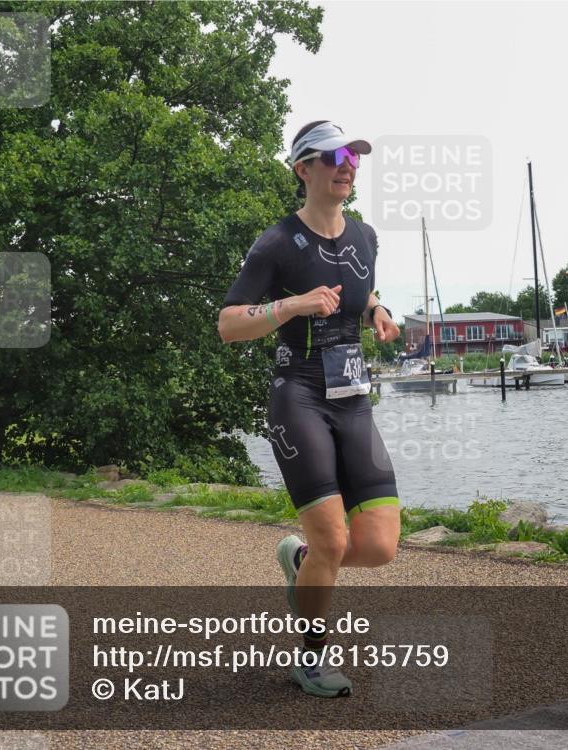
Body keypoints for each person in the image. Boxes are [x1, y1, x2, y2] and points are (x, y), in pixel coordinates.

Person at [217, 121, 401, 698]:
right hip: (296, 394)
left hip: (352, 399)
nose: (346, 166)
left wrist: (378, 310)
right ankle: (312, 659)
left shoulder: (366, 236)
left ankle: (302, 565)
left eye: (352, 157)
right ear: (302, 169)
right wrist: (292, 305)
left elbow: (359, 288)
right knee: (333, 540)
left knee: (377, 547)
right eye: (331, 158)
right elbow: (227, 325)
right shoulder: (276, 242)